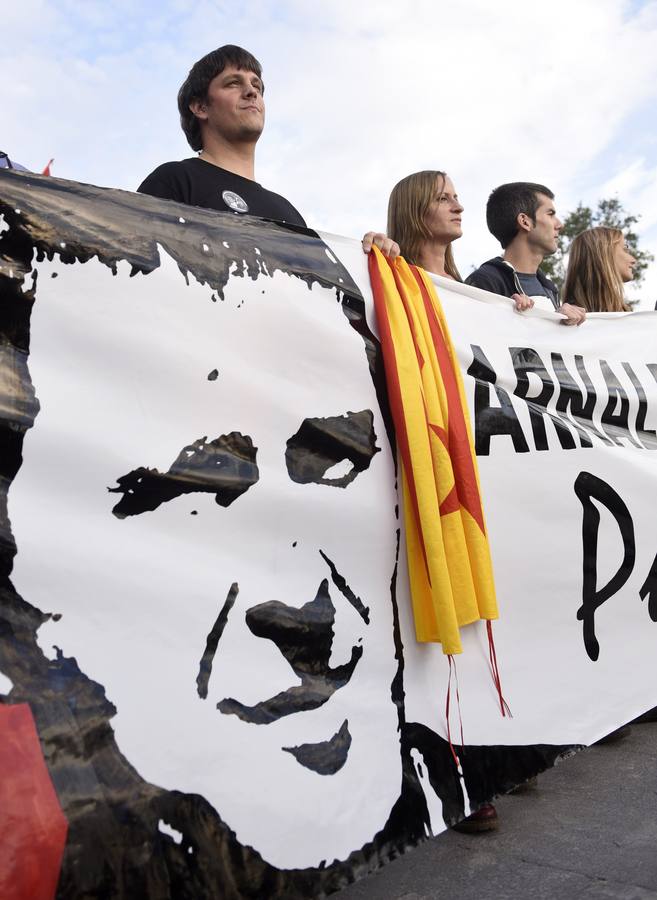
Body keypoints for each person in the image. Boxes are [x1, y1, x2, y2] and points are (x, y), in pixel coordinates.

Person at [139, 45, 397, 257]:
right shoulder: (174, 181)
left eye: (257, 85)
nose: (251, 92)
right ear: (200, 107)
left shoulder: (287, 211)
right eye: (232, 83)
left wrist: (371, 260)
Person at [466, 182, 585, 326]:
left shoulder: (549, 289)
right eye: (550, 214)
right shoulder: (485, 282)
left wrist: (562, 323)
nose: (559, 224)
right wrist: (509, 316)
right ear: (525, 221)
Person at [387, 169, 463, 279]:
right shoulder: (391, 278)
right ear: (412, 211)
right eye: (442, 199)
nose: (459, 208)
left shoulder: (467, 290)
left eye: (455, 198)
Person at [562, 227, 636, 312]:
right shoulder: (566, 319)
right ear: (603, 255)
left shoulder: (623, 313)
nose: (634, 260)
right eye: (625, 249)